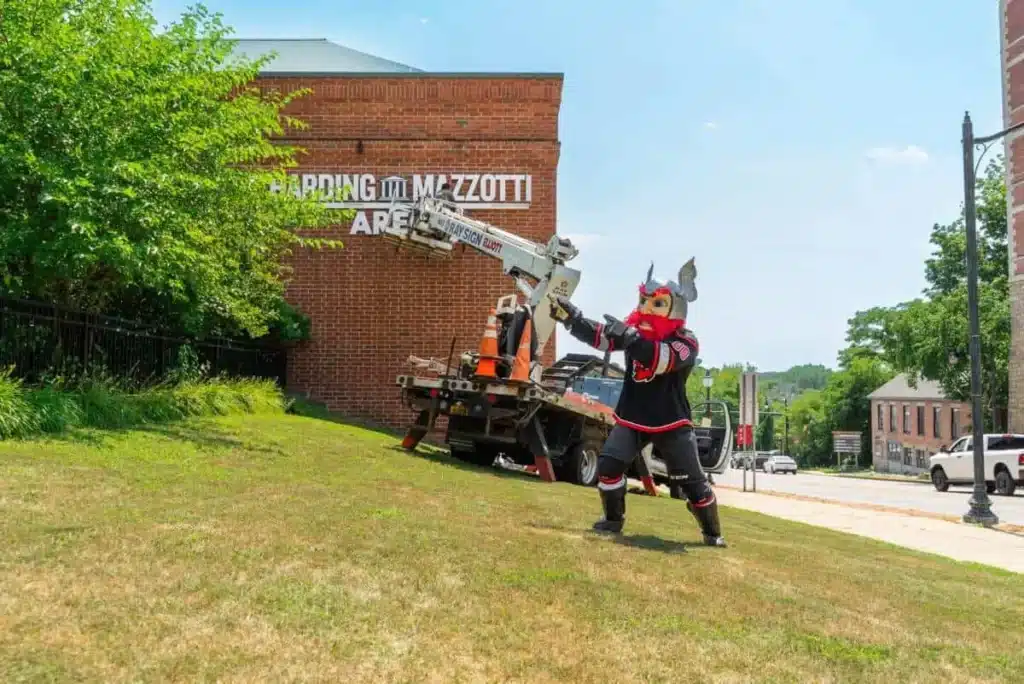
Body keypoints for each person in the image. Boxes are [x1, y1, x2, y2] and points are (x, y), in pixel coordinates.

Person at [549, 258, 726, 547]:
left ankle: (712, 533)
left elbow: (660, 359)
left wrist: (630, 338)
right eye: (643, 300)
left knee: (692, 484)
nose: (646, 309)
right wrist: (573, 319)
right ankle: (613, 519)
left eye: (656, 304)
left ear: (676, 308)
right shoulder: (633, 333)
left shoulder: (687, 341)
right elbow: (601, 338)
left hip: (671, 421)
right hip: (632, 417)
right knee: (608, 466)